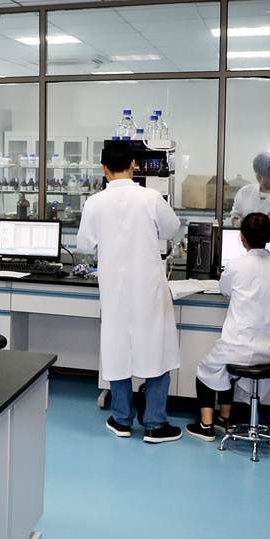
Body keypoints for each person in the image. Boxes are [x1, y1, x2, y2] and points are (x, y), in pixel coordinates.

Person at [77, 141, 184, 443]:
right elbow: (172, 229)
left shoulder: (95, 203)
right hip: (149, 290)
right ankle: (155, 424)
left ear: (104, 168)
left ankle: (121, 419)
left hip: (114, 291)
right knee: (157, 351)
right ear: (134, 165)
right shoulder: (150, 197)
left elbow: (85, 245)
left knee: (118, 352)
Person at [187, 213, 270, 441]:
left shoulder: (235, 266)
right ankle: (224, 419)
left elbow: (225, 290)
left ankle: (206, 425)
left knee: (206, 370)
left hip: (237, 345)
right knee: (226, 370)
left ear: (242, 238)